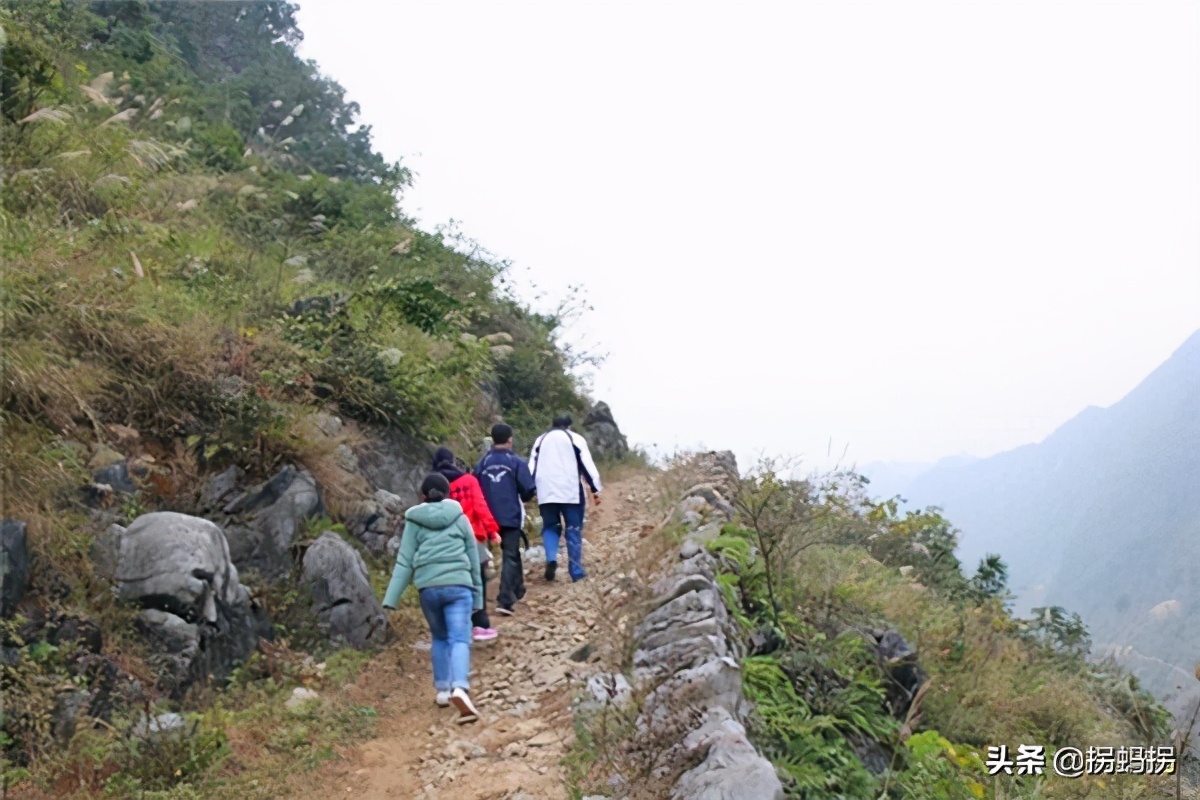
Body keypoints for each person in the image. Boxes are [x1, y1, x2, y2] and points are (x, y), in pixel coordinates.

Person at [381, 473, 483, 723]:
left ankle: (442, 690)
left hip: (428, 588)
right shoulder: (459, 518)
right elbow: (473, 558)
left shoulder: (414, 521)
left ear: (423, 496)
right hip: (459, 585)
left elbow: (405, 561)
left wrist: (390, 599)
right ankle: (460, 685)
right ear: (448, 494)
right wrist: (478, 599)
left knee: (439, 637)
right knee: (459, 638)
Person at [432, 447, 500, 642]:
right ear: (453, 461)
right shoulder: (469, 481)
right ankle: (479, 624)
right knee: (477, 579)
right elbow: (480, 506)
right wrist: (492, 530)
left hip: (445, 541)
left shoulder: (433, 485)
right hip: (472, 537)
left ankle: (455, 626)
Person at [528, 413, 602, 582]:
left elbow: (532, 467)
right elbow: (586, 465)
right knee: (573, 528)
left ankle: (551, 558)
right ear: (569, 425)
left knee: (550, 526)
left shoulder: (541, 440)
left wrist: (530, 489)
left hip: (546, 491)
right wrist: (595, 489)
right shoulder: (575, 438)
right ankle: (575, 571)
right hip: (570, 491)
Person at [474, 423, 537, 616]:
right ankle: (505, 599)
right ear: (510, 440)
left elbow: (475, 485)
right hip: (509, 516)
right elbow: (527, 490)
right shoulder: (516, 462)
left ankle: (515, 590)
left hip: (485, 518)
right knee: (509, 554)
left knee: (485, 559)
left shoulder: (482, 463)